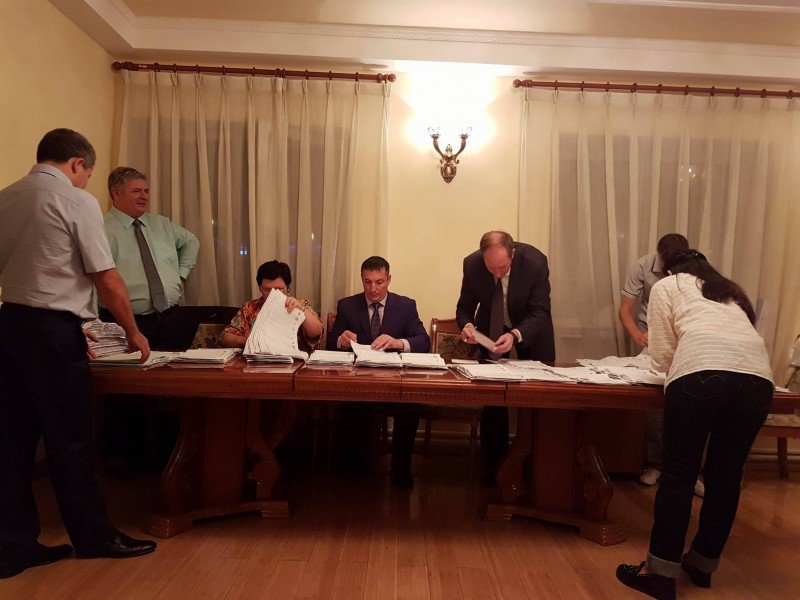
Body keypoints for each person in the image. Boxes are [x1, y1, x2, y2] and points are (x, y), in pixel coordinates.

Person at [0, 129, 156, 579]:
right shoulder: (75, 201)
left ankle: (12, 546)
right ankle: (94, 537)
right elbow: (105, 276)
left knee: (12, 441)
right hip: (53, 332)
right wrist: (133, 332)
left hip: (9, 325)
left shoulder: (7, 197)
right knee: (70, 439)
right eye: (87, 172)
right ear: (76, 164)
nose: (86, 181)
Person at [616, 250, 773, 600]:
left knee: (679, 475)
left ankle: (659, 575)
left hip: (700, 376)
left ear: (671, 269)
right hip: (757, 382)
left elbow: (662, 356)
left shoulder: (668, 285)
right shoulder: (730, 292)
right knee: (726, 476)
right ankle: (702, 564)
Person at [456, 231, 555, 485]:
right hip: (491, 328)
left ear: (512, 253)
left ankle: (536, 468)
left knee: (537, 399)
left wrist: (515, 335)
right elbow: (464, 307)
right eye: (491, 268)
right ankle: (494, 468)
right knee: (493, 397)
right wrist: (467, 326)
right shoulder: (472, 264)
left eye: (502, 267)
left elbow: (541, 311)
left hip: (530, 331)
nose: (497, 274)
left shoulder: (535, 262)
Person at [327, 256, 430, 488]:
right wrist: (342, 340)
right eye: (368, 282)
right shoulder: (347, 305)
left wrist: (398, 342)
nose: (373, 289)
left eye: (379, 282)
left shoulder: (405, 305)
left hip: (395, 382)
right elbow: (331, 341)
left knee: (410, 408)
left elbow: (423, 341)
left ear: (389, 280)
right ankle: (355, 474)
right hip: (359, 382)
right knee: (350, 408)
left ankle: (401, 473)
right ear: (362, 280)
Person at [619, 234, 705, 497]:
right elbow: (625, 310)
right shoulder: (643, 266)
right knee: (654, 401)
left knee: (692, 405)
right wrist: (637, 335)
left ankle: (692, 471)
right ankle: (655, 463)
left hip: (687, 337)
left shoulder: (697, 269)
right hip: (652, 334)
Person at [99, 167, 200, 350]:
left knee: (172, 369)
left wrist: (181, 274)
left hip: (170, 319)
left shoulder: (161, 224)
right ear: (116, 193)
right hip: (125, 324)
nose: (144, 197)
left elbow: (191, 242)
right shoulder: (101, 229)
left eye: (146, 191)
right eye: (136, 191)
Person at [221, 260, 323, 350]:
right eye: (267, 289)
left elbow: (317, 331)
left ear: (288, 288)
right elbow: (226, 338)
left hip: (293, 361)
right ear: (260, 289)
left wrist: (301, 310)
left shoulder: (300, 305)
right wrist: (247, 341)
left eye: (279, 289)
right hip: (257, 361)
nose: (273, 294)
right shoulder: (250, 307)